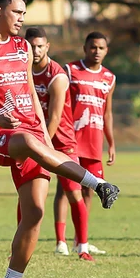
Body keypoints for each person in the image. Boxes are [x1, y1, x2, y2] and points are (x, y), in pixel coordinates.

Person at [0, 0, 120, 278]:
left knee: (34, 214)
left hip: (30, 135)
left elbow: (31, 95)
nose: (22, 19)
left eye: (24, 13)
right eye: (18, 12)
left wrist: (45, 136)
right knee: (30, 143)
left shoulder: (22, 49)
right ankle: (97, 184)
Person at [25, 27, 85, 259]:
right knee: (28, 193)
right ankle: (54, 243)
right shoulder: (23, 71)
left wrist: (44, 147)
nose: (36, 50)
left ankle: (83, 247)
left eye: (40, 46)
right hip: (36, 140)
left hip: (61, 141)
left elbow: (56, 117)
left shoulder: (57, 75)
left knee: (73, 192)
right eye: (32, 46)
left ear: (47, 47)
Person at [66, 32, 116, 260]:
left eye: (101, 48)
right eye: (93, 47)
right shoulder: (70, 71)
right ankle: (65, 241)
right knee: (69, 192)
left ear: (106, 51)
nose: (97, 51)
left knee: (91, 190)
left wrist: (111, 143)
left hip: (94, 143)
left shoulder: (109, 77)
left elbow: (108, 113)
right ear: (85, 48)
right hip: (71, 140)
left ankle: (80, 239)